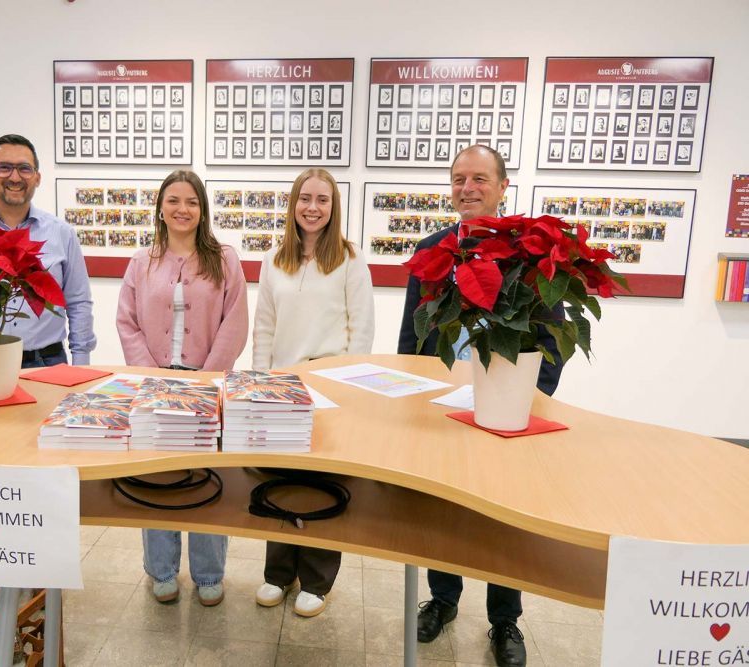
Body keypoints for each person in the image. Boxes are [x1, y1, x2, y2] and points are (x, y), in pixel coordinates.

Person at [397, 145, 564, 667]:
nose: (466, 188)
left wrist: (530, 399)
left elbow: (554, 338)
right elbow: (413, 337)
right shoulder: (433, 249)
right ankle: (442, 601)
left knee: (502, 521)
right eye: (458, 179)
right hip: (443, 412)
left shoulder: (529, 253)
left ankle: (504, 621)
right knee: (442, 510)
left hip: (506, 413)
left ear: (502, 186)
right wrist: (412, 396)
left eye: (479, 179)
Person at [116, 169, 248, 606]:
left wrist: (210, 379)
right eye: (173, 200)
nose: (182, 209)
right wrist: (150, 376)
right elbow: (127, 321)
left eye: (191, 201)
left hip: (205, 382)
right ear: (160, 208)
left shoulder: (224, 258)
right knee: (160, 479)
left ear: (202, 209)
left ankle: (210, 573)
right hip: (155, 383)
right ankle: (162, 569)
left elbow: (235, 322)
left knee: (208, 478)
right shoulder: (142, 260)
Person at [252, 168, 375, 618]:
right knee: (281, 481)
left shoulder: (349, 257)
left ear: (333, 207)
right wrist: (259, 381)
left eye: (322, 200)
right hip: (280, 388)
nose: (312, 207)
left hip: (328, 384)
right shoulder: (273, 260)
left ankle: (318, 580)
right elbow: (264, 326)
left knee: (323, 483)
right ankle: (278, 574)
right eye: (305, 198)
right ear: (293, 203)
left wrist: (347, 385)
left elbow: (361, 328)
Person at [0, 134, 96, 369]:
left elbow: (78, 302)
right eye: (4, 168)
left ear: (37, 177)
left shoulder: (61, 233)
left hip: (47, 362)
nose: (14, 177)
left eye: (24, 168)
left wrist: (81, 365)